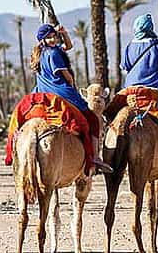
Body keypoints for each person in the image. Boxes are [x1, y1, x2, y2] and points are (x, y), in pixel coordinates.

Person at [31, 23, 113, 173]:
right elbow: (67, 76)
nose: (53, 39)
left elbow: (68, 46)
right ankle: (95, 156)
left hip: (42, 93)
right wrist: (72, 84)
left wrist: (64, 33)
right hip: (60, 92)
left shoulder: (41, 53)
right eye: (49, 37)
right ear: (42, 40)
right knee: (93, 120)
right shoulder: (54, 53)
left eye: (53, 36)